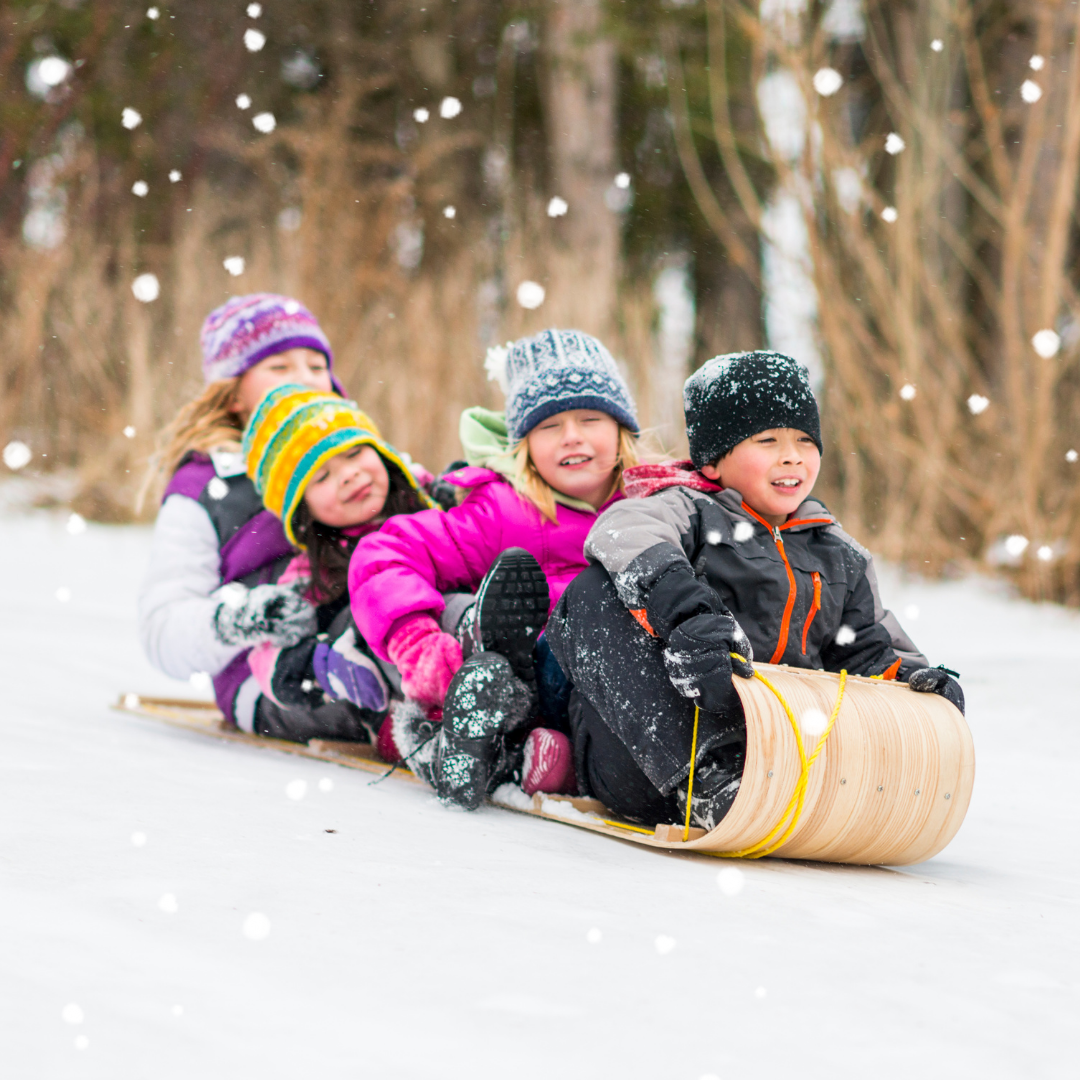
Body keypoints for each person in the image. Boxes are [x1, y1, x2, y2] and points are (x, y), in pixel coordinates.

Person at [546, 350, 964, 830]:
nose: (791, 455)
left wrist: (913, 687)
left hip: (775, 763)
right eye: (767, 440)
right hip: (646, 759)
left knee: (878, 678)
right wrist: (687, 617)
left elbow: (866, 648)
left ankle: (746, 778)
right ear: (715, 462)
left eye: (805, 441)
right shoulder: (687, 510)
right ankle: (704, 774)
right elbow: (620, 533)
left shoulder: (839, 556)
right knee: (593, 592)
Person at [349, 328, 641, 808]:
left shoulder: (658, 503)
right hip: (548, 672)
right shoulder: (504, 512)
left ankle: (525, 758)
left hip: (619, 689)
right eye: (549, 426)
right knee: (538, 650)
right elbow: (383, 555)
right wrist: (416, 643)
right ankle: (488, 698)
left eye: (591, 418)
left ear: (621, 428)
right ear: (524, 442)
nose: (572, 437)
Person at [138, 293, 353, 736]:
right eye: (280, 368)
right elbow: (163, 628)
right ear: (233, 394)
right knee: (370, 684)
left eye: (317, 367)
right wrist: (236, 619)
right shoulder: (205, 492)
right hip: (272, 678)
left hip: (364, 627)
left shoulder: (356, 460)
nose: (306, 381)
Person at [235, 383, 440, 745]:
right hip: (394, 691)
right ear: (303, 510)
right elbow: (267, 656)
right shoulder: (310, 575)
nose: (348, 475)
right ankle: (409, 732)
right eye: (322, 476)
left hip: (456, 647)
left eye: (355, 452)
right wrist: (317, 664)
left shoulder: (439, 503)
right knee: (361, 614)